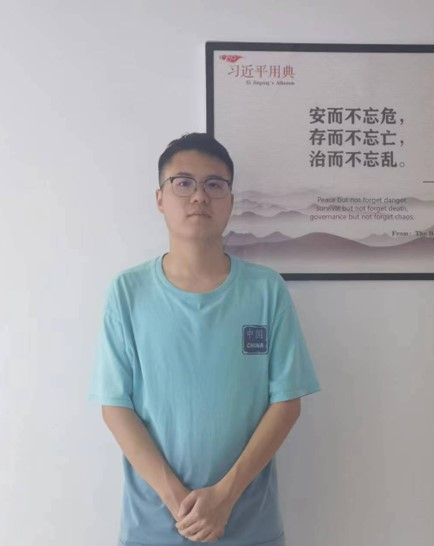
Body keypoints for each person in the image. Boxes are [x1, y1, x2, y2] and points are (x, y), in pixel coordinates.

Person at [88, 132, 321, 545]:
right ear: (160, 198)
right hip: (153, 528)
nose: (199, 196)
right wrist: (180, 502)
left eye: (215, 185)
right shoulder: (128, 292)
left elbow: (286, 403)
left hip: (250, 526)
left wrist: (224, 497)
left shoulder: (266, 290)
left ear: (230, 200)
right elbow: (115, 406)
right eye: (183, 183)